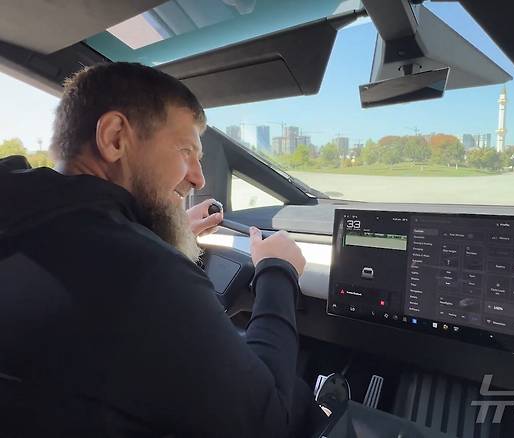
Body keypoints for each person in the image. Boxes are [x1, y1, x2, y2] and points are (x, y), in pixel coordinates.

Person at [0, 62, 321, 437]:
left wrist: (158, 234)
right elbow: (268, 424)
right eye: (186, 151)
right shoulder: (144, 272)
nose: (198, 177)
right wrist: (277, 271)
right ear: (115, 137)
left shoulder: (28, 219)